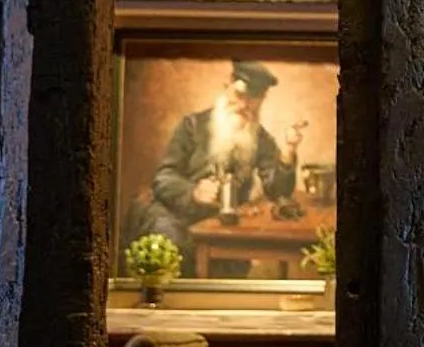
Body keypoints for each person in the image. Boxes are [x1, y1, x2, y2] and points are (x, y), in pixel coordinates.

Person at [132, 59, 307, 255]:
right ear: (226, 88)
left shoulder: (260, 138)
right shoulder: (192, 126)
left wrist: (289, 151)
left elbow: (277, 191)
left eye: (253, 99)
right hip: (174, 216)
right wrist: (193, 192)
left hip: (220, 225)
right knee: (176, 249)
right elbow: (163, 178)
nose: (244, 105)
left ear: (262, 100)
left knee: (234, 262)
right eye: (239, 95)